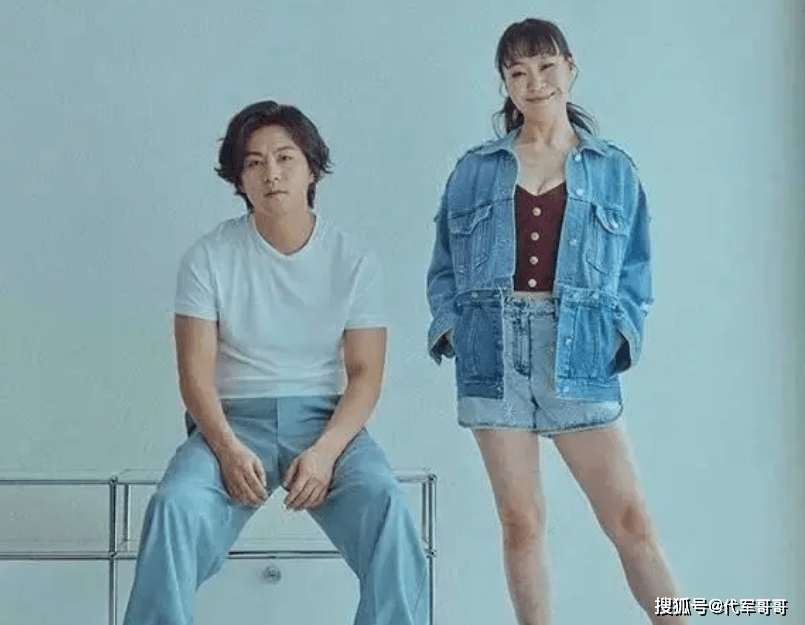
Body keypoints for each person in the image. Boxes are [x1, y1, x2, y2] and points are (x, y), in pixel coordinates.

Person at [123, 100, 429, 625]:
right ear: (239, 179)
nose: (271, 173)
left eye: (285, 158)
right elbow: (194, 374)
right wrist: (225, 447)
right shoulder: (208, 257)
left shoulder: (353, 259)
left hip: (326, 420)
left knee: (388, 506)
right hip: (232, 422)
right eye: (254, 162)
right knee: (174, 506)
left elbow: (365, 374)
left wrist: (326, 452)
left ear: (312, 168)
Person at [426, 18, 685, 625]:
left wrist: (618, 335)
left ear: (570, 67)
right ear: (505, 84)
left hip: (579, 351)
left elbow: (636, 271)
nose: (534, 82)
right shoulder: (473, 170)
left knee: (631, 522)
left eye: (545, 66)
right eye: (518, 72)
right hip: (493, 355)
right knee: (521, 523)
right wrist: (456, 331)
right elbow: (443, 267)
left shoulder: (614, 169)